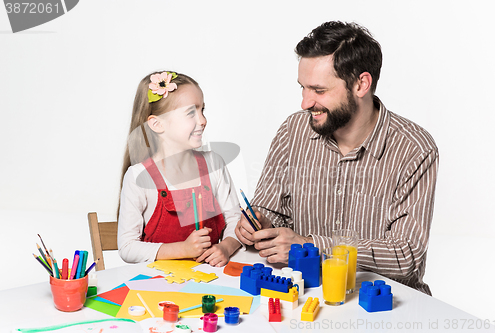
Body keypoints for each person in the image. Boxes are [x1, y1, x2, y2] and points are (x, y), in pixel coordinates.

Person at [235, 21, 438, 295]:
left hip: (384, 302)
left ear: (361, 84)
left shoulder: (414, 148)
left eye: (319, 91)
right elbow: (271, 212)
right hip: (306, 293)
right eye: (302, 88)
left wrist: (310, 246)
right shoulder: (293, 130)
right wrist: (260, 224)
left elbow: (405, 255)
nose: (305, 103)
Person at [118, 71, 241, 267]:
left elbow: (235, 220)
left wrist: (226, 246)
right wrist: (182, 249)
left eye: (202, 110)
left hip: (212, 280)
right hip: (158, 285)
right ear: (157, 124)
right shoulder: (139, 176)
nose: (202, 120)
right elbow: (127, 247)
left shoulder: (214, 164)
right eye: (191, 112)